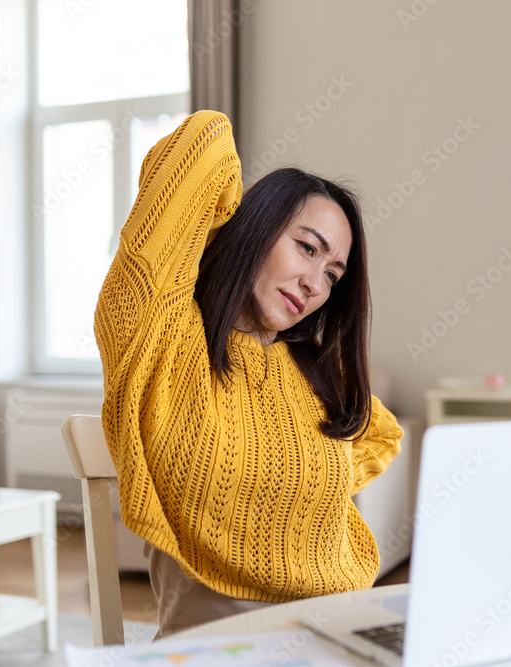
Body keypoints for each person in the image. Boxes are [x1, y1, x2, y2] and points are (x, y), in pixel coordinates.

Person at [94, 110, 403, 637]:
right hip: (218, 647)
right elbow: (204, 139)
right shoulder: (162, 336)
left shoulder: (313, 376)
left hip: (343, 632)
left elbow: (380, 434)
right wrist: (231, 213)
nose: (315, 284)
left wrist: (290, 473)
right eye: (306, 247)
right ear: (256, 229)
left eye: (333, 274)